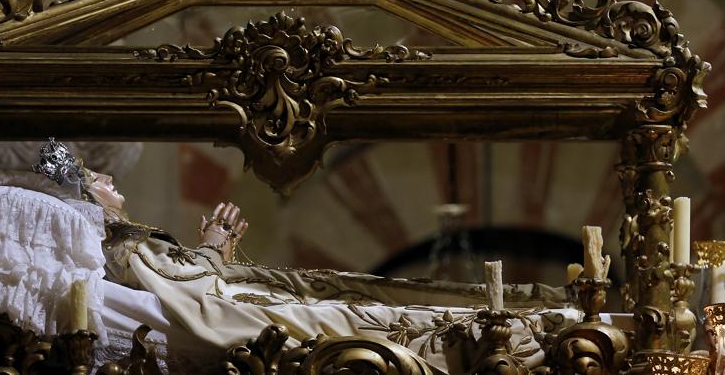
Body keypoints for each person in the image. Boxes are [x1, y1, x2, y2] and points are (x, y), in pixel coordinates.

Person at [33, 142, 574, 371]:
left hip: (244, 304)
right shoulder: (119, 242)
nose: (106, 178)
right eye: (92, 179)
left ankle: (536, 323)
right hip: (247, 317)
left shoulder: (124, 241)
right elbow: (191, 300)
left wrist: (210, 257)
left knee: (360, 299)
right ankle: (534, 331)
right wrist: (211, 254)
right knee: (362, 317)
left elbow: (187, 289)